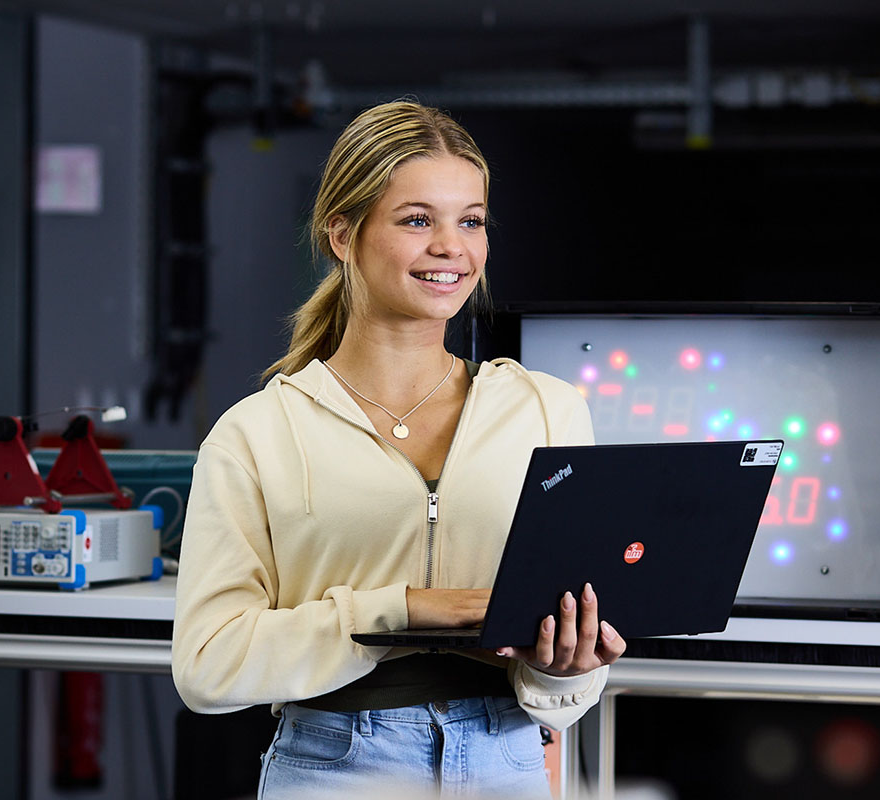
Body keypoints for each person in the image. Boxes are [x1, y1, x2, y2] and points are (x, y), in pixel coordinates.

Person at [172, 99, 626, 799]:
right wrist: (403, 609)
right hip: (336, 764)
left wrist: (567, 669)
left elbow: (566, 659)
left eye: (470, 221)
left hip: (508, 763)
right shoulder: (256, 433)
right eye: (418, 220)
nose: (453, 247)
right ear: (342, 235)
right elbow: (208, 665)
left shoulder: (548, 410)